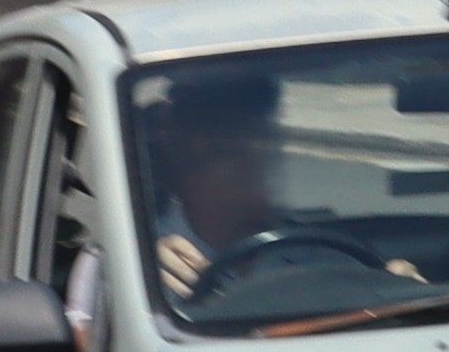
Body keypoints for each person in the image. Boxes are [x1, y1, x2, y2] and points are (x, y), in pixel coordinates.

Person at [152, 72, 421, 298]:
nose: (251, 168)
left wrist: (401, 290)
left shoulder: (317, 253)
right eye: (224, 153)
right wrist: (140, 269)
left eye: (262, 144)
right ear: (181, 158)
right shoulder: (145, 257)